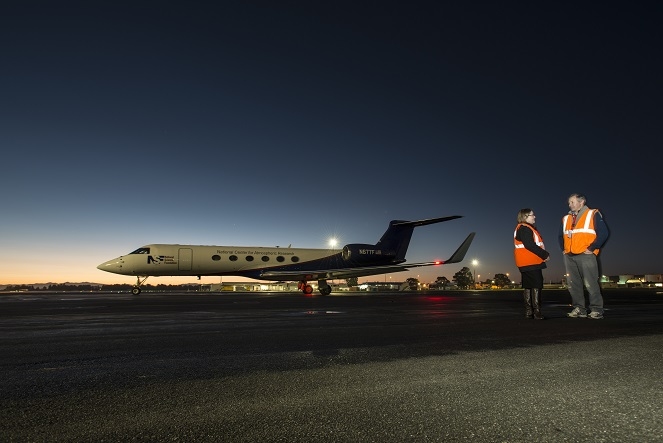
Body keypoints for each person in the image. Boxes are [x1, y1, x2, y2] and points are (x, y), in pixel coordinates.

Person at [558, 193, 610, 319]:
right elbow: (560, 235)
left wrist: (592, 248)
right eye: (569, 202)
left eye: (572, 202)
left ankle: (597, 309)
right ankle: (579, 309)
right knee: (573, 284)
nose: (569, 205)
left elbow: (604, 233)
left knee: (591, 283)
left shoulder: (592, 214)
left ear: (581, 202)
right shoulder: (566, 218)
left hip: (586, 255)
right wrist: (564, 249)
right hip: (569, 256)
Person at [514, 209, 550, 319]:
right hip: (531, 262)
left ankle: (529, 311)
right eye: (532, 215)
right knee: (537, 285)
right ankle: (537, 312)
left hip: (524, 262)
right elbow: (529, 245)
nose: (534, 217)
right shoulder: (525, 228)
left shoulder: (522, 228)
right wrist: (544, 255)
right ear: (525, 217)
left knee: (528, 286)